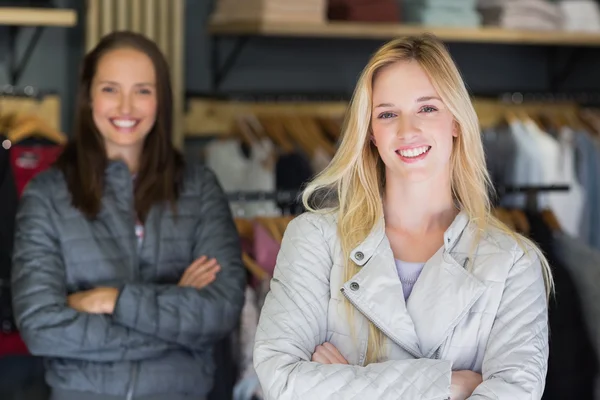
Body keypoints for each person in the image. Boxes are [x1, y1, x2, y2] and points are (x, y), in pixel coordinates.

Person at [253, 34, 552, 400]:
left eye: (427, 108)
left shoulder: (513, 264)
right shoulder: (314, 239)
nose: (407, 130)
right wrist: (449, 384)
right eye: (388, 114)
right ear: (371, 134)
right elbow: (280, 381)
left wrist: (348, 384)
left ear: (456, 121)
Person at [11, 31, 246, 400]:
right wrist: (174, 314)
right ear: (88, 95)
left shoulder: (199, 188)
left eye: (142, 90)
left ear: (161, 99)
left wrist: (111, 300)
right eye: (109, 89)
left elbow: (221, 311)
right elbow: (41, 328)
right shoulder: (47, 196)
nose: (126, 106)